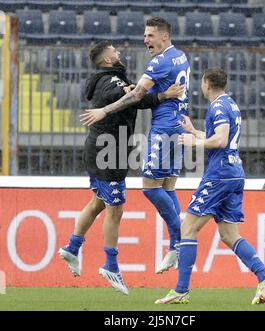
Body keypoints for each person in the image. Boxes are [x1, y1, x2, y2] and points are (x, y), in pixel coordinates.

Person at [58, 41, 183, 295]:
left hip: (103, 149)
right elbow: (134, 99)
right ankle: (110, 265)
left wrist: (137, 92)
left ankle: (71, 248)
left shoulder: (106, 79)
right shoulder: (112, 83)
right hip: (108, 153)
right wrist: (163, 95)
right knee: (116, 210)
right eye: (115, 52)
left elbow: (132, 96)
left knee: (97, 203)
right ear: (107, 61)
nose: (119, 53)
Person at [154, 68, 265, 305]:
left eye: (201, 82)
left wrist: (193, 142)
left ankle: (181, 290)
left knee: (188, 229)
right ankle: (264, 277)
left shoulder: (218, 107)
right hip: (234, 174)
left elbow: (219, 140)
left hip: (219, 175)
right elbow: (221, 137)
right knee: (229, 235)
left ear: (207, 83)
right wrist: (194, 131)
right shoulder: (230, 104)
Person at [80, 17, 191, 274]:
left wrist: (104, 110)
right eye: (144, 35)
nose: (145, 40)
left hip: (164, 129)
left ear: (165, 36)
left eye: (150, 35)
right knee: (168, 187)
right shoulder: (181, 56)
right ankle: (176, 245)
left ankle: (180, 240)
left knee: (150, 189)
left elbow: (136, 96)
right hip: (178, 126)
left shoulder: (159, 61)